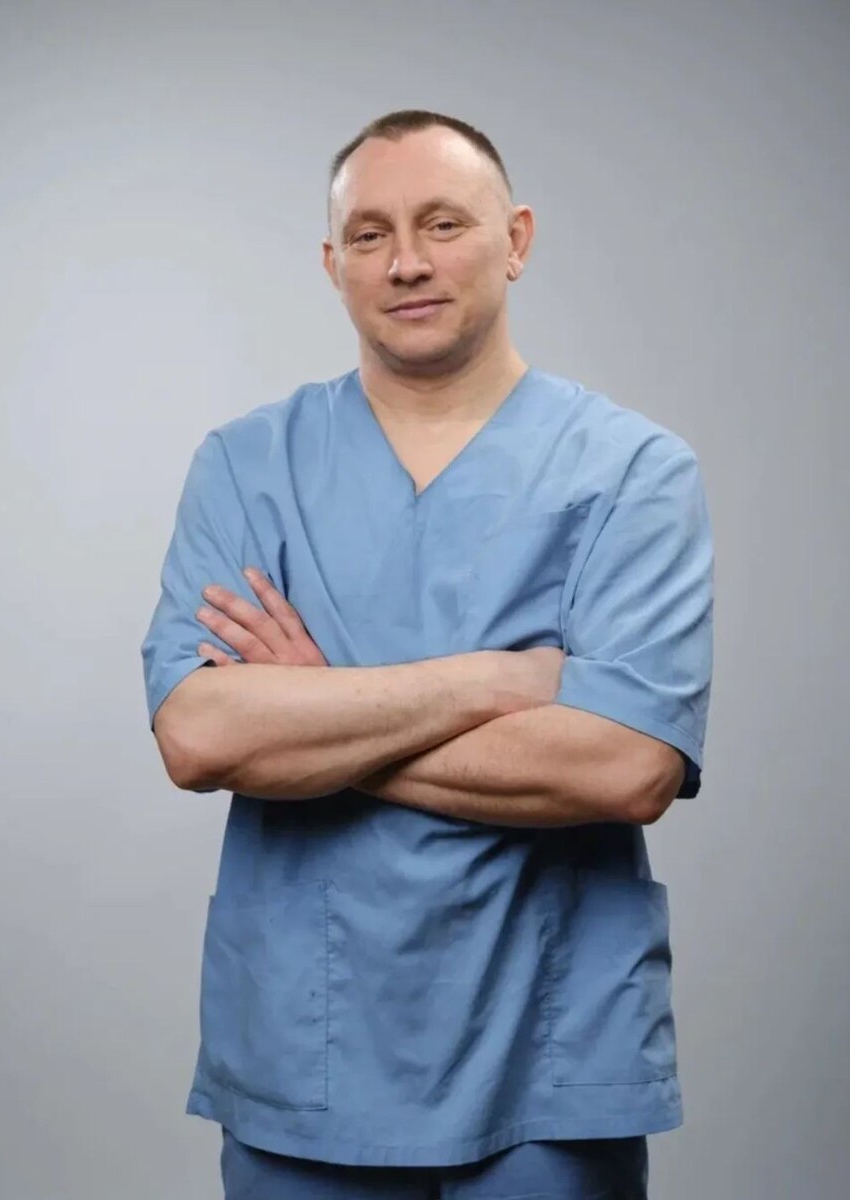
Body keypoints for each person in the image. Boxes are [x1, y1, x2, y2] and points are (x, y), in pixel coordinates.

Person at [140, 109, 714, 1200]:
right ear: (333, 264)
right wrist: (497, 679)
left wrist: (316, 713)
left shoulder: (632, 473)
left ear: (517, 240)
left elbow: (625, 767)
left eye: (443, 224)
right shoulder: (248, 467)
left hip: (550, 1055)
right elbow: (200, 736)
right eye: (370, 235)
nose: (406, 262)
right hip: (306, 1054)